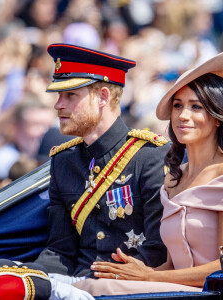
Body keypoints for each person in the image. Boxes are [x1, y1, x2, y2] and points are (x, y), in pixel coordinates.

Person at [72, 47, 223, 296]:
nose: (183, 115)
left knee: (93, 288)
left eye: (196, 107)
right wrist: (135, 272)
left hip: (214, 292)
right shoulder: (173, 179)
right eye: (178, 105)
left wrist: (150, 276)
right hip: (177, 290)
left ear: (219, 116)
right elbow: (174, 265)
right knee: (86, 285)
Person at [31, 44, 169, 298]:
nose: (58, 105)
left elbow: (157, 250)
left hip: (130, 289)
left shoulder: (150, 157)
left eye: (70, 96)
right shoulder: (64, 160)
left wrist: (95, 284)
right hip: (76, 285)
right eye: (59, 96)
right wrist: (34, 279)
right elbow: (60, 249)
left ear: (103, 97)